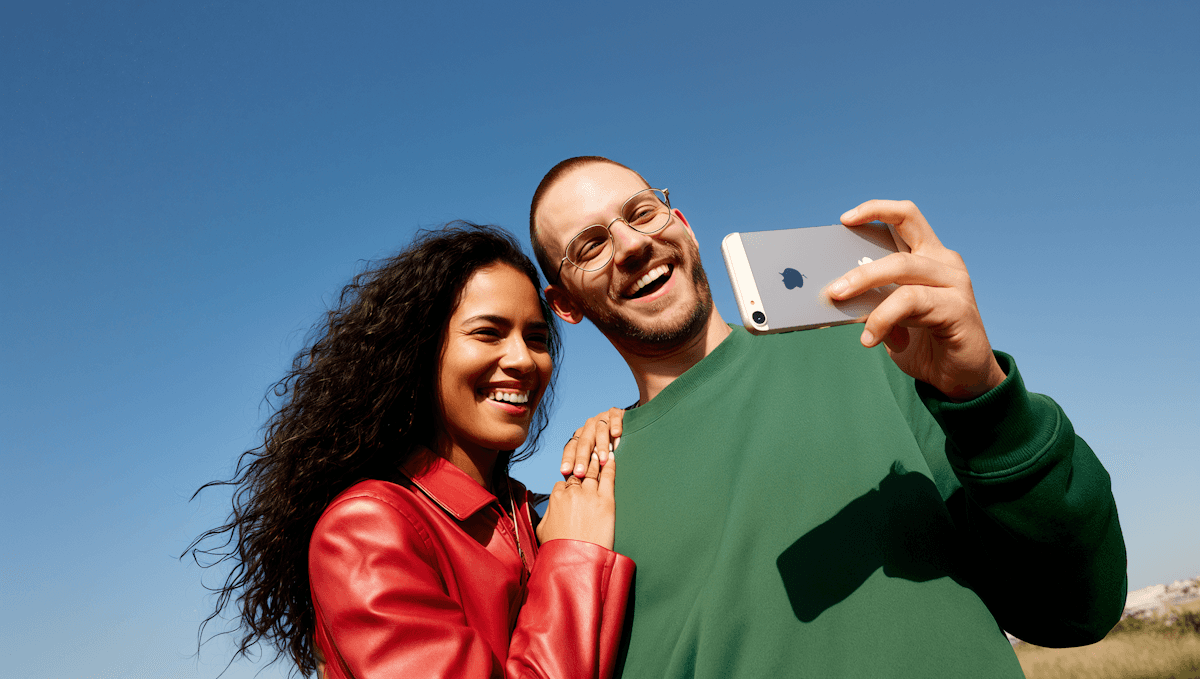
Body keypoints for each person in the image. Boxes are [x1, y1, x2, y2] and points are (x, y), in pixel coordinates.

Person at [530, 157, 1127, 678]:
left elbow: (1076, 608)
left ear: (681, 223)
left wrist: (982, 397)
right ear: (565, 304)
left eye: (641, 214)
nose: (632, 245)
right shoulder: (585, 501)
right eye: (590, 247)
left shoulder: (880, 351)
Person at [187, 222, 634, 679]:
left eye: (536, 339)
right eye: (488, 333)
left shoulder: (525, 511)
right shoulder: (366, 528)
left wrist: (625, 427)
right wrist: (572, 554)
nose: (523, 359)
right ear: (420, 352)